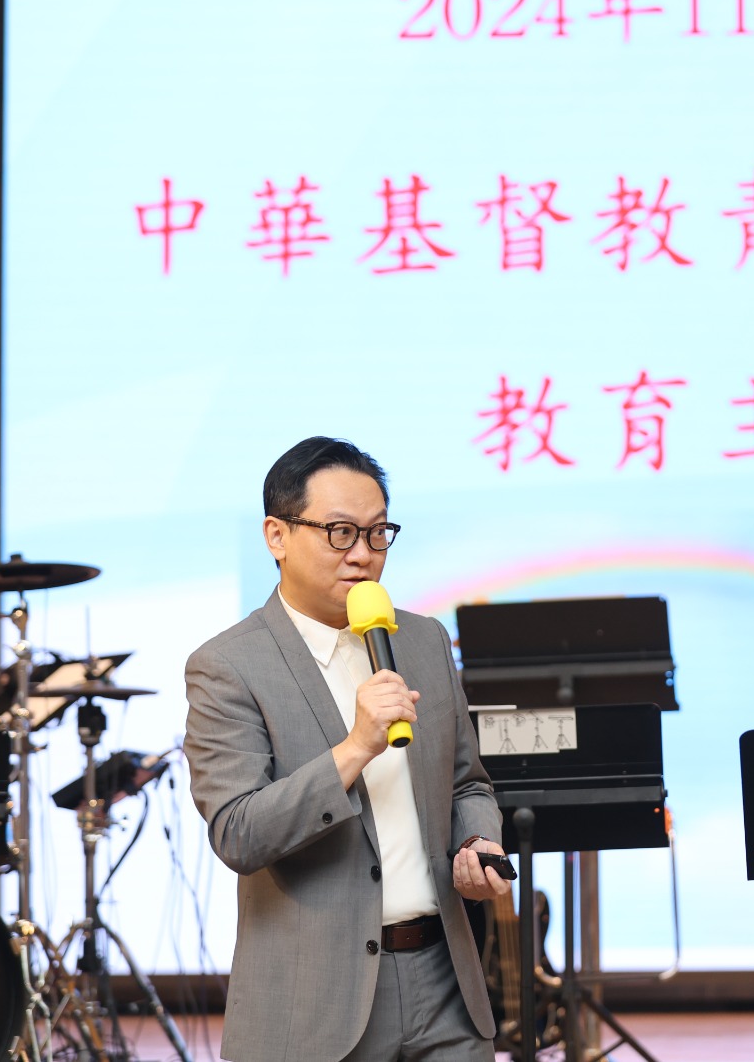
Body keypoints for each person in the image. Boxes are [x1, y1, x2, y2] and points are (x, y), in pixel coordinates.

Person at [184, 437, 512, 1062]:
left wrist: (477, 841)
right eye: (339, 533)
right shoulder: (227, 666)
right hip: (314, 1004)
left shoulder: (422, 639)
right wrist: (356, 747)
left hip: (446, 982)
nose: (362, 554)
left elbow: (467, 783)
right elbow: (239, 833)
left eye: (378, 533)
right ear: (277, 536)